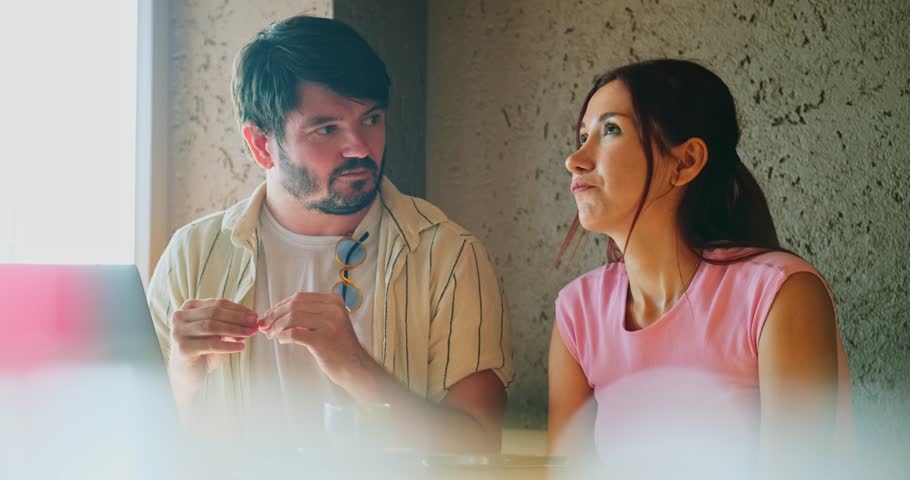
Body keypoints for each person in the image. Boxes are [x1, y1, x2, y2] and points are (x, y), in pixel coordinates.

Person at [147, 15, 512, 453]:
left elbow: (479, 446)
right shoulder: (193, 255)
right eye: (327, 129)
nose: (360, 146)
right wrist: (184, 375)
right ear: (262, 145)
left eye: (371, 118)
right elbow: (137, 444)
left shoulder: (448, 256)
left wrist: (356, 367)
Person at [548, 59, 852, 476]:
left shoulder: (779, 294)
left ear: (686, 161)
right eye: (583, 136)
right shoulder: (577, 312)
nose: (575, 160)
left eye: (610, 130)